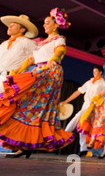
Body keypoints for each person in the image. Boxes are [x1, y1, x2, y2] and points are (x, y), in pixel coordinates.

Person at [0, 8, 74, 158]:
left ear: (56, 25)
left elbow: (60, 52)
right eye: (45, 23)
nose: (44, 25)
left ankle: (26, 145)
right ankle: (24, 145)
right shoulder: (42, 43)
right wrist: (16, 71)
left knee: (35, 106)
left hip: (49, 72)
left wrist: (53, 59)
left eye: (47, 23)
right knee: (26, 106)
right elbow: (30, 60)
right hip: (39, 71)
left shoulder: (59, 39)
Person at [60, 65, 105, 156]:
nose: (94, 73)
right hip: (85, 105)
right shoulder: (89, 82)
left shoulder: (104, 83)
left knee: (78, 118)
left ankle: (63, 136)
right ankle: (83, 149)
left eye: (96, 71)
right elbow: (78, 92)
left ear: (101, 72)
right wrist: (66, 101)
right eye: (93, 71)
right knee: (82, 126)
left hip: (94, 106)